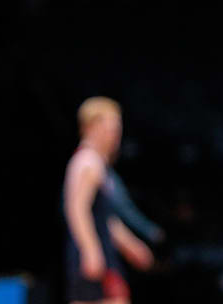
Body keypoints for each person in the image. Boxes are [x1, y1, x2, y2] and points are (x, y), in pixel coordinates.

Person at [63, 97, 154, 304]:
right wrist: (90, 250)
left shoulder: (97, 164)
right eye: (111, 130)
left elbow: (104, 218)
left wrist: (130, 245)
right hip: (92, 253)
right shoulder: (88, 162)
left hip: (101, 249)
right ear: (91, 127)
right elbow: (76, 208)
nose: (115, 137)